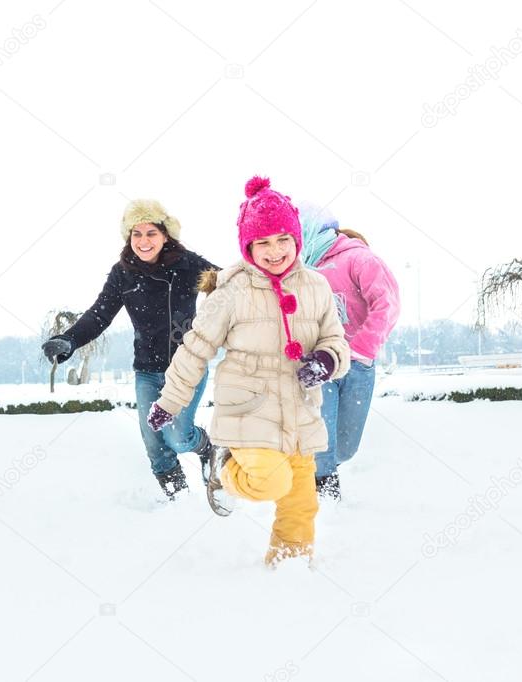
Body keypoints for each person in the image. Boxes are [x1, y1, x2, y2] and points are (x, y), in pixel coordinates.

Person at [148, 177, 350, 566]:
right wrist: (171, 401)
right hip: (249, 408)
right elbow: (195, 350)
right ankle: (224, 469)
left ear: (296, 239)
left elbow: (337, 340)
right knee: (269, 480)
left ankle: (288, 568)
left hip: (300, 409)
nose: (274, 252)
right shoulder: (231, 292)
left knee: (300, 505)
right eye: (263, 243)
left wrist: (326, 360)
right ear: (248, 247)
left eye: (282, 240)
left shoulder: (317, 286)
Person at [41, 199, 218, 499]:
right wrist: (69, 340)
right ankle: (179, 504)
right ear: (128, 237)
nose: (143, 241)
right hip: (147, 371)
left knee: (177, 438)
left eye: (151, 233)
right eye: (136, 234)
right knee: (154, 445)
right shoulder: (123, 273)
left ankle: (206, 446)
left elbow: (229, 287)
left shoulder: (188, 266)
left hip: (187, 368)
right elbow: (99, 314)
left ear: (165, 235)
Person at [297, 201, 400, 501]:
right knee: (323, 445)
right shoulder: (302, 271)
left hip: (358, 366)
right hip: (321, 366)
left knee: (345, 447)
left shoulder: (358, 259)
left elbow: (387, 305)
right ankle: (325, 504)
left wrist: (362, 349)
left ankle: (323, 471)